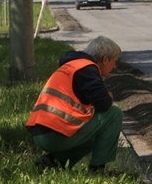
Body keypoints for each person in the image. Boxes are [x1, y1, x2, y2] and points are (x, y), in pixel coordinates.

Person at [26, 36, 123, 173]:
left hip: (41, 133)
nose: (115, 66)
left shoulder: (73, 65)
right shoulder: (87, 69)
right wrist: (108, 96)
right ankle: (98, 169)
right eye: (114, 61)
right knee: (114, 114)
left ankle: (53, 162)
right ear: (105, 59)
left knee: (96, 132)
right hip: (54, 135)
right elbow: (104, 104)